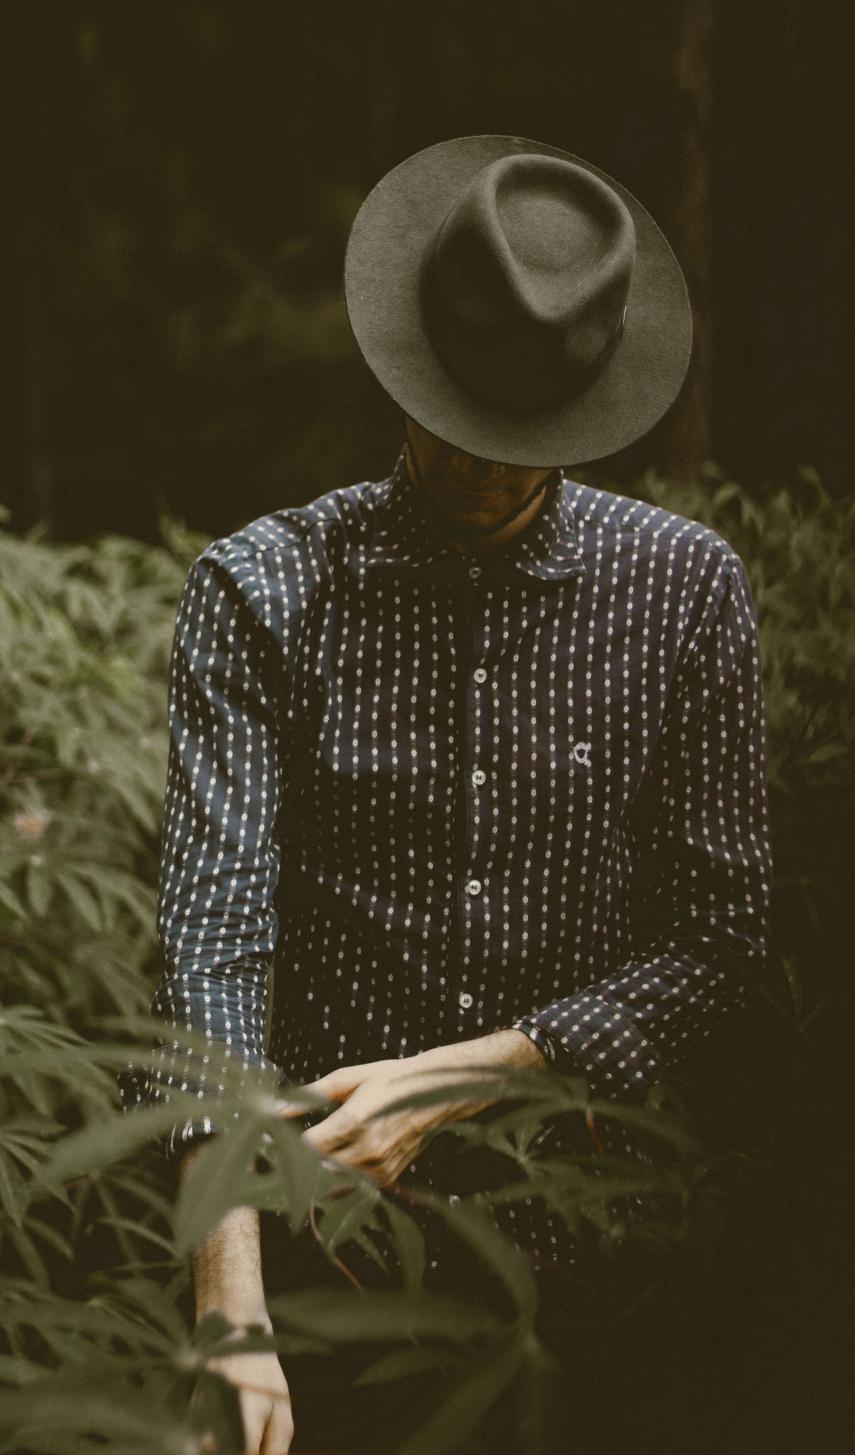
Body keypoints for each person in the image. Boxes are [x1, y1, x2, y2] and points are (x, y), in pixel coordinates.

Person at [117, 135, 772, 1453]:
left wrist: (469, 1077)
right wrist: (230, 1307)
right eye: (456, 424)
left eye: (518, 444)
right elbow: (214, 946)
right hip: (319, 1257)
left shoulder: (684, 591)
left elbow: (721, 939)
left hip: (600, 1265)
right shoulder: (263, 590)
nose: (479, 471)